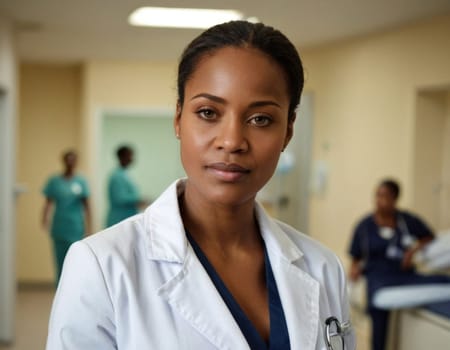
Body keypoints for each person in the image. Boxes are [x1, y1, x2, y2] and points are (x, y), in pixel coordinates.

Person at [47, 21, 355, 349]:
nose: (232, 141)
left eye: (260, 119)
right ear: (178, 119)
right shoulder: (102, 266)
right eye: (208, 112)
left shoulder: (322, 267)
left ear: (288, 132)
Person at [348, 178, 450, 350]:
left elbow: (428, 236)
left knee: (441, 280)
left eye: (385, 196)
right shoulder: (364, 226)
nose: (380, 200)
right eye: (378, 195)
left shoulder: (406, 221)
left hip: (404, 274)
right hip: (378, 277)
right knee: (378, 311)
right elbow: (355, 257)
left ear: (395, 199)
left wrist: (412, 251)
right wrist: (354, 271)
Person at [42, 150, 91, 284]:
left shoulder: (81, 181)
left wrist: (89, 226)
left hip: (76, 227)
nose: (70, 162)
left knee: (75, 260)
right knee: (60, 261)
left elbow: (87, 205)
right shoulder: (54, 181)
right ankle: (59, 290)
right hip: (59, 226)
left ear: (76, 162)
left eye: (73, 159)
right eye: (68, 159)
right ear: (63, 161)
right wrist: (44, 219)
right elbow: (48, 202)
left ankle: (74, 288)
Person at [106, 145, 146, 227]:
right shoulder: (116, 176)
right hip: (119, 219)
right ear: (122, 157)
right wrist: (138, 200)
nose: (132, 158)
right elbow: (120, 198)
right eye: (130, 155)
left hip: (126, 218)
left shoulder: (124, 174)